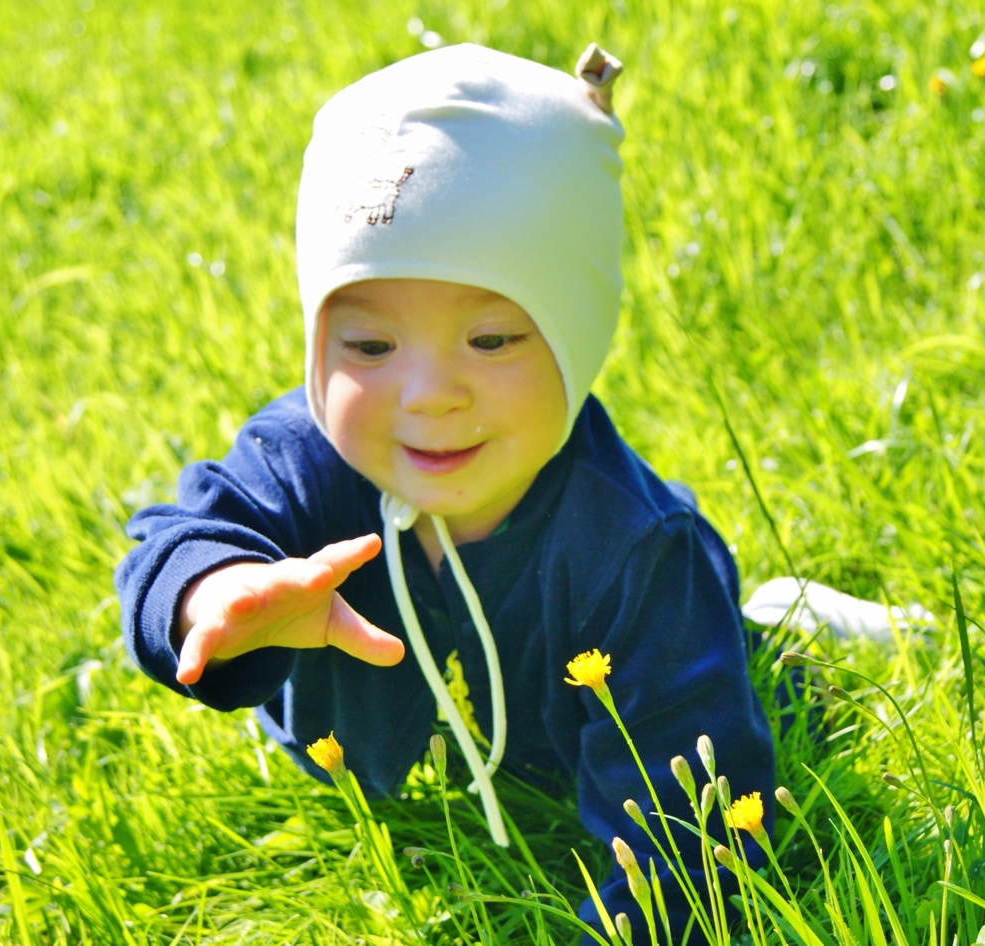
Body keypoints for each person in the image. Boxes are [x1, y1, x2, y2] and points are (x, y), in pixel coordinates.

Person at [114, 41, 775, 944]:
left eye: (494, 339)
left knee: (727, 662)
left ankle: (776, 626)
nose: (428, 395)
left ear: (576, 337)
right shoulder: (306, 456)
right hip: (400, 762)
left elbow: (692, 838)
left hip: (619, 707)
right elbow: (175, 540)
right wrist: (215, 594)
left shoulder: (636, 550)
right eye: (372, 348)